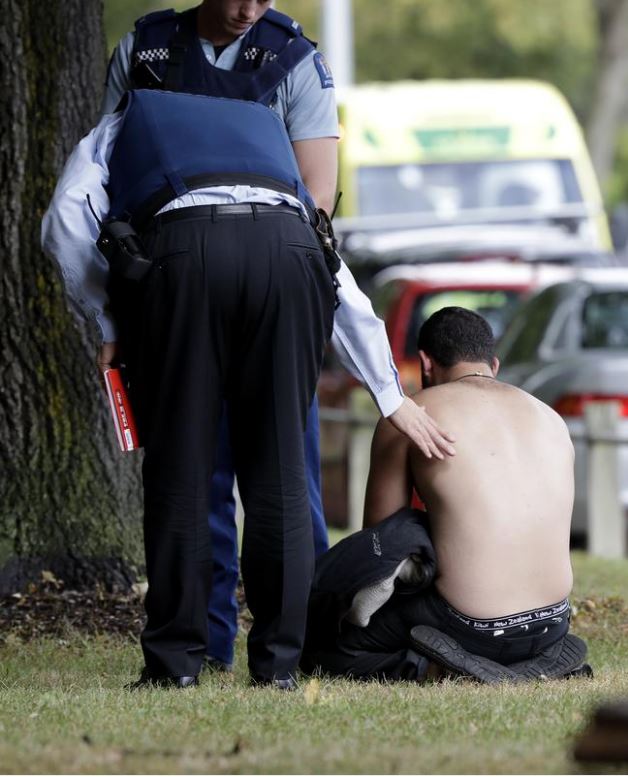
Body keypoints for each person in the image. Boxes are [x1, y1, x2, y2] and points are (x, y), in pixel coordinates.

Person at [42, 3, 454, 690]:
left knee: (180, 471)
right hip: (287, 260)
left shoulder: (131, 114)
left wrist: (111, 321)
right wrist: (390, 393)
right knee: (282, 478)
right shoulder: (265, 136)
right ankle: (281, 667)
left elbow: (64, 219)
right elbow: (326, 257)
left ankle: (176, 663)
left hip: (184, 258)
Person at [302, 307, 589, 682]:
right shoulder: (550, 418)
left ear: (425, 362)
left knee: (322, 651)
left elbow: (379, 545)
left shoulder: (413, 415)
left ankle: (433, 667)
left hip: (468, 625)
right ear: (494, 364)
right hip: (553, 624)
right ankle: (526, 664)